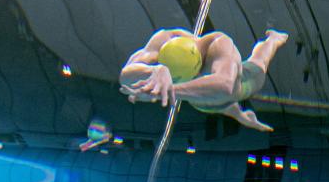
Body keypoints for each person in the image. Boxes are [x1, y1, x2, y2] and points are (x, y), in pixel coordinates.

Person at [119, 28, 287, 131]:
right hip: (202, 100)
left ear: (198, 65)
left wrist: (168, 90)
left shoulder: (219, 44)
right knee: (210, 98)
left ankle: (274, 39)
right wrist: (155, 69)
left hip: (240, 87)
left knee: (259, 62)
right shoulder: (163, 41)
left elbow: (225, 87)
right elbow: (125, 76)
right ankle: (237, 113)